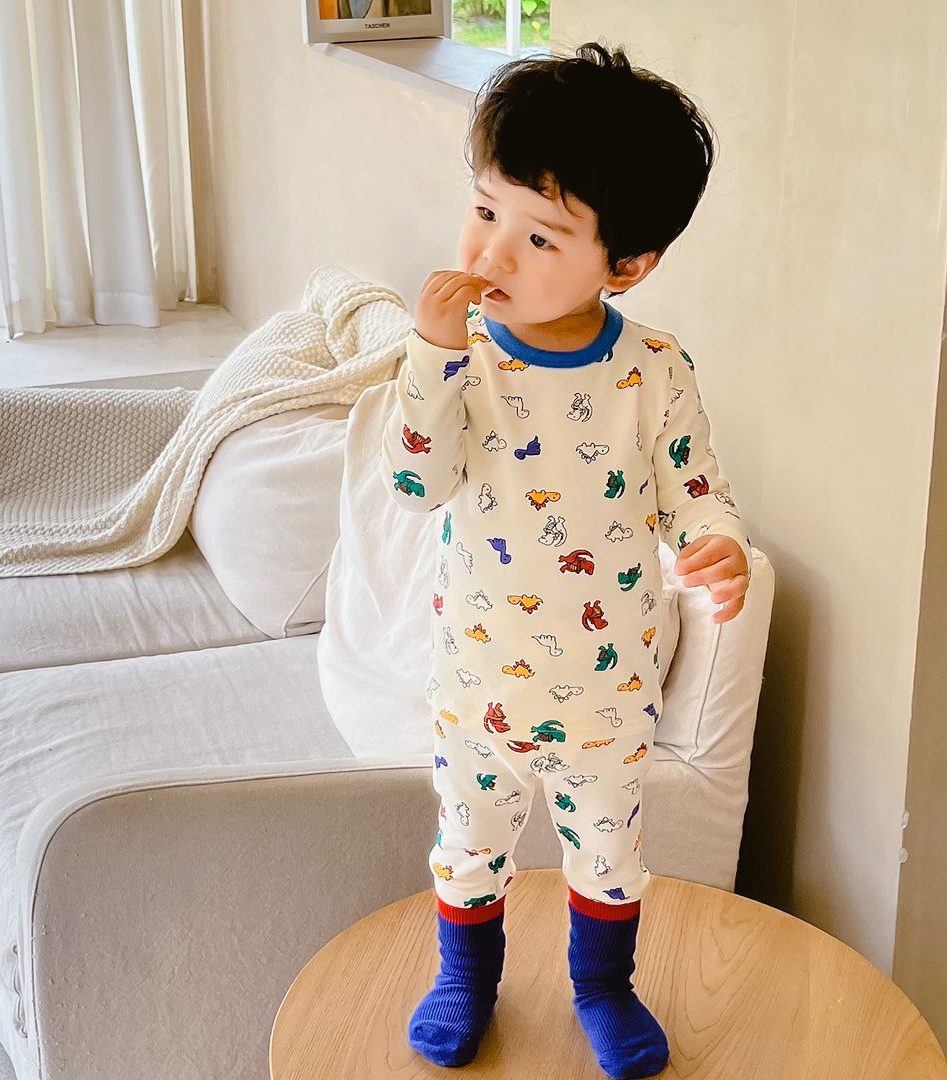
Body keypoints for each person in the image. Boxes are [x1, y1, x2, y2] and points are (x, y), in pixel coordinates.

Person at [379, 39, 753, 1079]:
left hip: (606, 690)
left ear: (626, 264)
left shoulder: (654, 371)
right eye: (484, 210)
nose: (492, 254)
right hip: (477, 683)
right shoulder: (463, 360)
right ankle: (466, 979)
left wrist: (720, 544)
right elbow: (414, 482)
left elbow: (694, 487)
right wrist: (430, 356)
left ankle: (602, 985)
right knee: (470, 846)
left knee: (609, 855)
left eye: (540, 236)